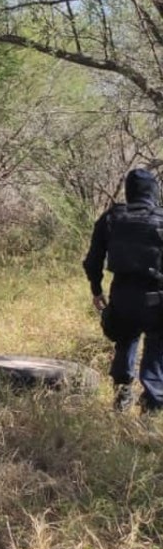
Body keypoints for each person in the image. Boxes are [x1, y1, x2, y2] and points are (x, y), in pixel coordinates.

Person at [82, 168, 163, 414]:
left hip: (123, 295)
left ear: (129, 191)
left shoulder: (112, 217)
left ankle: (122, 394)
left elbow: (92, 261)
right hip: (157, 297)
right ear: (154, 192)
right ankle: (152, 406)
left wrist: (96, 290)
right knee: (157, 348)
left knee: (125, 339)